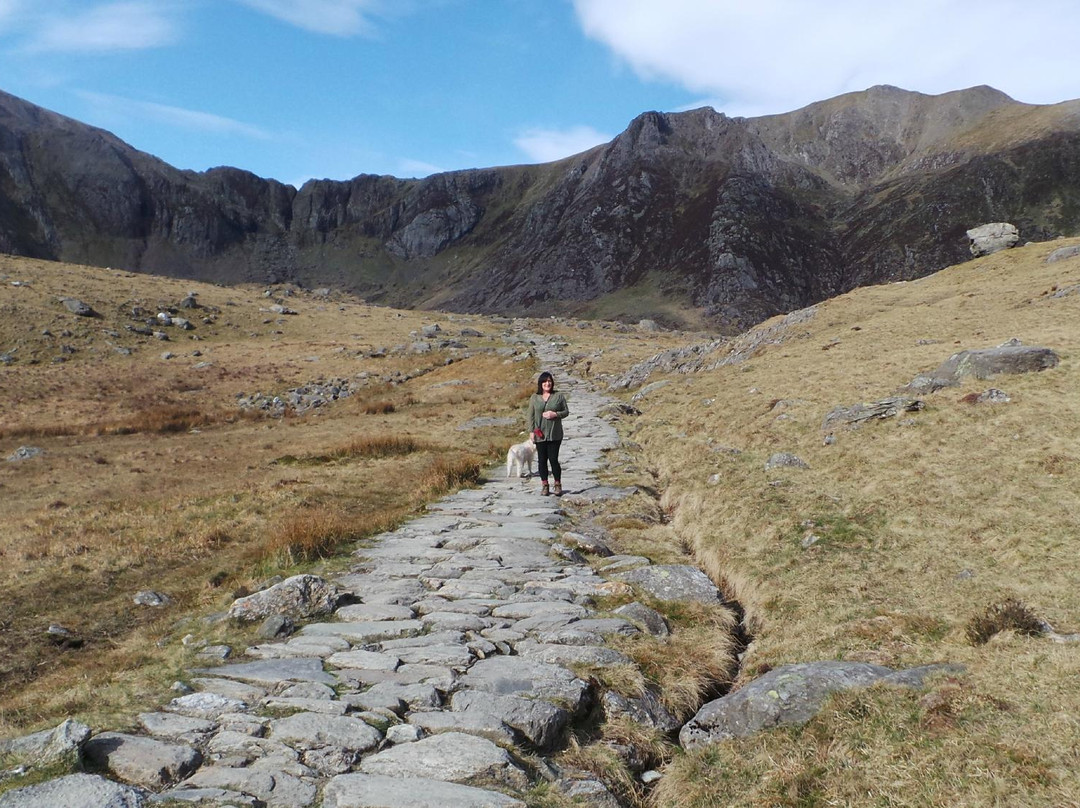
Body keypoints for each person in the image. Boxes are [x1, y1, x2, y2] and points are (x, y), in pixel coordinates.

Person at [527, 371, 569, 496]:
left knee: (553, 459)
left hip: (555, 434)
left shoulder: (559, 396)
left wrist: (555, 414)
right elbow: (530, 415)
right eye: (545, 381)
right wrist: (531, 431)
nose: (547, 383)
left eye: (549, 381)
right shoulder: (534, 398)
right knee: (542, 460)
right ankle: (545, 485)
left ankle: (557, 484)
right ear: (541, 383)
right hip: (540, 435)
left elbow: (566, 411)